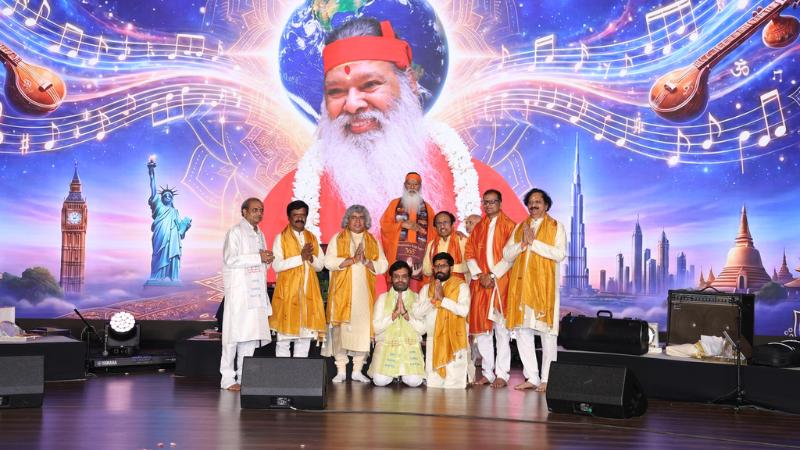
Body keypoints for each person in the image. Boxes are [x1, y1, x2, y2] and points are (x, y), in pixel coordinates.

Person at [261, 17, 526, 243]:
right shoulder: (288, 201)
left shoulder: (482, 188)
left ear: (409, 82)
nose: (352, 105)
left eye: (370, 85)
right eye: (336, 91)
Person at [503, 188, 566, 392]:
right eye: (530, 202)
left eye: (538, 201)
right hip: (522, 288)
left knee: (547, 334)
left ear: (546, 205)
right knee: (523, 332)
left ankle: (548, 379)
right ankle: (532, 377)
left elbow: (559, 254)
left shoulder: (556, 226)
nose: (533, 205)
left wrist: (534, 243)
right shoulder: (520, 227)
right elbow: (507, 254)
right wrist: (522, 244)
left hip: (544, 290)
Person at [324, 205, 389, 383]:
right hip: (341, 295)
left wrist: (366, 261)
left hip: (363, 296)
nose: (358, 221)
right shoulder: (337, 238)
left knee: (362, 331)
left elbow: (383, 265)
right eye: (354, 217)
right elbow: (328, 262)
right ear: (348, 220)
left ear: (366, 221)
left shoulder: (372, 241)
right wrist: (352, 260)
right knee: (340, 332)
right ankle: (341, 370)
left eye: (361, 217)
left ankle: (357, 370)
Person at [465, 189, 516, 388]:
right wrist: (480, 275)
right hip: (481, 284)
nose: (488, 205)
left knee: (501, 331)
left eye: (492, 202)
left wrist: (493, 275)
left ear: (500, 203)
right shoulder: (479, 227)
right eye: (485, 202)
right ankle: (487, 373)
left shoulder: (510, 226)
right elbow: (469, 252)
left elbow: (511, 256)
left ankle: (502, 374)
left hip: (501, 283)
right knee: (483, 333)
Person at [220, 198, 273, 391]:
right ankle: (227, 378)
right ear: (244, 212)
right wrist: (258, 257)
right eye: (254, 210)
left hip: (255, 292)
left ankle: (244, 377)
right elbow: (230, 259)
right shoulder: (235, 232)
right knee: (232, 336)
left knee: (250, 335)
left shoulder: (260, 234)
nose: (259, 213)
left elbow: (261, 264)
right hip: (239, 292)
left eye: (261, 210)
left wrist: (267, 260)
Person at [270, 200, 327, 357]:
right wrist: (300, 258)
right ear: (289, 217)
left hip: (308, 295)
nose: (299, 218)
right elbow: (276, 265)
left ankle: (299, 372)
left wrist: (310, 258)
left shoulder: (312, 238)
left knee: (304, 339)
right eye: (295, 215)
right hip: (288, 295)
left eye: (302, 215)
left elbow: (320, 266)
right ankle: (283, 373)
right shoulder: (281, 238)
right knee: (284, 340)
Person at [414, 252, 471, 389]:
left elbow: (463, 310)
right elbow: (416, 313)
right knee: (434, 385)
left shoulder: (461, 286)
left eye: (443, 266)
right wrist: (433, 300)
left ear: (451, 268)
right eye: (436, 266)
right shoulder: (427, 289)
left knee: (454, 386)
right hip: (433, 340)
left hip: (454, 341)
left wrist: (443, 300)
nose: (439, 269)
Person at [368, 260, 426, 387]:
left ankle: (400, 375)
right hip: (386, 347)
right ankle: (395, 375)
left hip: (409, 348)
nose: (400, 280)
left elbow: (422, 329)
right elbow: (376, 328)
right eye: (396, 276)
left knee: (414, 382)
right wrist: (393, 316)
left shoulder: (417, 298)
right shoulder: (383, 298)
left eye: (404, 276)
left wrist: (406, 315)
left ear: (409, 278)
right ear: (391, 278)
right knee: (379, 381)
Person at [380, 172, 435, 289]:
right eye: (409, 184)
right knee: (396, 291)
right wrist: (401, 225)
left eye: (415, 184)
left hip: (419, 260)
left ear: (420, 186)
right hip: (397, 256)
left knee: (416, 292)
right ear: (405, 185)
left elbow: (435, 233)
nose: (412, 187)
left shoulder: (428, 208)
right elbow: (385, 226)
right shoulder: (394, 204)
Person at [146, 159, 191, 284]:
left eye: (169, 196)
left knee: (172, 255)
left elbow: (180, 231)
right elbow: (153, 189)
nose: (167, 197)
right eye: (165, 195)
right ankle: (156, 277)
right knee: (158, 254)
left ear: (172, 199)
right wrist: (151, 172)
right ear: (161, 198)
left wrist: (185, 226)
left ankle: (172, 277)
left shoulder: (175, 212)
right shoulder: (158, 206)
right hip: (160, 233)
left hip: (173, 238)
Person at [422, 211, 468, 281]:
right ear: (435, 227)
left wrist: (445, 268)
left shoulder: (462, 240)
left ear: (452, 224)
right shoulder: (431, 245)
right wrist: (440, 269)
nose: (442, 226)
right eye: (438, 223)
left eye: (445, 222)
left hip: (459, 284)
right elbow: (426, 270)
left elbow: (469, 266)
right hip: (437, 284)